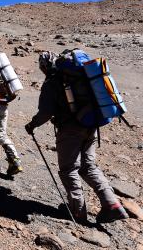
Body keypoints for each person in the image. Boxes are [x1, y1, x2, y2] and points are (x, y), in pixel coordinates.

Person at [24, 51, 128, 224]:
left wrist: (32, 125)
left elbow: (45, 112)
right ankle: (113, 205)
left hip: (70, 130)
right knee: (89, 167)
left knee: (69, 169)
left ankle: (77, 211)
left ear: (45, 66)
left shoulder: (53, 82)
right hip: (91, 124)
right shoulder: (81, 76)